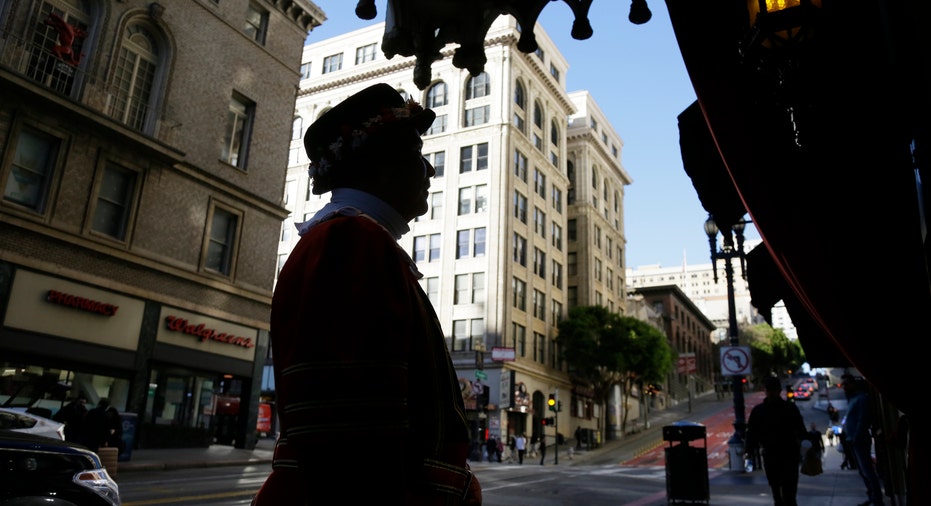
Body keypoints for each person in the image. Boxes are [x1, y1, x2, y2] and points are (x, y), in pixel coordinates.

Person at [251, 83, 481, 506]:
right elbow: (353, 438)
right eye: (416, 154)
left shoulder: (353, 240)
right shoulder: (349, 242)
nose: (429, 170)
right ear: (381, 162)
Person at [744, 376, 808, 506]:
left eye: (772, 390)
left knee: (782, 491)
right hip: (783, 453)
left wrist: (749, 450)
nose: (771, 393)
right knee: (784, 491)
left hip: (779, 453)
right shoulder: (789, 408)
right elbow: (801, 430)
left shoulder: (759, 411)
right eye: (769, 390)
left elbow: (751, 433)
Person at [843, 375, 885, 506]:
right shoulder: (853, 399)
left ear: (853, 384)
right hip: (852, 439)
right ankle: (872, 496)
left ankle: (877, 499)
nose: (844, 387)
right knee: (863, 471)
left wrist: (856, 436)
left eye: (846, 384)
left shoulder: (861, 399)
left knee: (867, 471)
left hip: (859, 439)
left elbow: (862, 420)